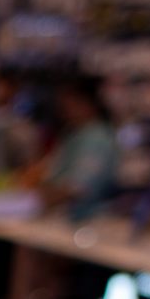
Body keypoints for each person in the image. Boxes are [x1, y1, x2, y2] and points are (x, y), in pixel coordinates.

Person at [35, 76, 119, 222]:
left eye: (71, 104)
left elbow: (77, 187)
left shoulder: (96, 137)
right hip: (63, 218)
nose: (64, 111)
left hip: (85, 221)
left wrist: (33, 201)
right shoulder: (75, 133)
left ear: (88, 103)